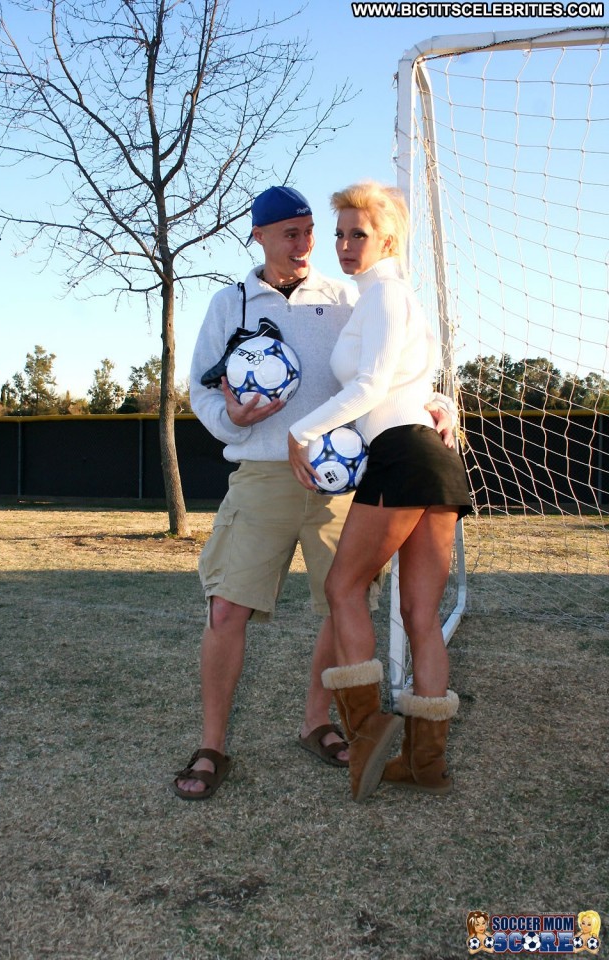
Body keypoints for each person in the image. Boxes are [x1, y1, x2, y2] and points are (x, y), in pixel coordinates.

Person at [172, 185, 455, 800]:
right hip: (264, 475)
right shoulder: (230, 304)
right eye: (291, 234)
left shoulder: (348, 295)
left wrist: (437, 400)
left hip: (342, 482)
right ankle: (212, 746)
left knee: (341, 604)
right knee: (226, 608)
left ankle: (316, 723)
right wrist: (231, 421)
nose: (306, 245)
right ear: (260, 236)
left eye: (310, 232)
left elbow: (391, 366)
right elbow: (200, 389)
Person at [288, 180, 472, 802]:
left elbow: (370, 387)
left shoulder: (388, 295)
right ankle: (424, 765)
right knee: (420, 616)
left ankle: (366, 734)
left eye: (358, 234)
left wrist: (302, 431)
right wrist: (441, 402)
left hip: (403, 456)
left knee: (343, 587)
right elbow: (411, 381)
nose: (344, 244)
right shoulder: (386, 298)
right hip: (432, 461)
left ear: (387, 239)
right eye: (339, 233)